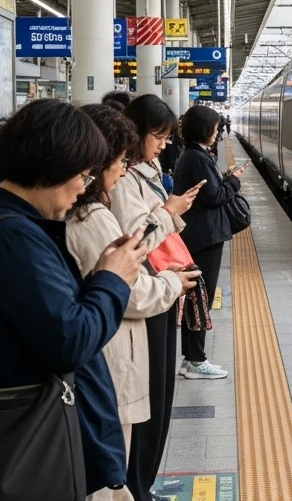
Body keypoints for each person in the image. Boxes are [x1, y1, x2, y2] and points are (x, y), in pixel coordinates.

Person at [0, 99, 147, 497]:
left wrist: (99, 276)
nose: (83, 187)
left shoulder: (8, 225)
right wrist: (112, 280)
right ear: (53, 169)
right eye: (82, 174)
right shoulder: (14, 238)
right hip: (25, 438)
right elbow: (69, 340)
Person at [66, 106, 201, 501]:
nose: (122, 170)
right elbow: (128, 285)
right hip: (112, 353)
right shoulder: (91, 217)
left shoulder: (82, 213)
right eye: (118, 161)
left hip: (110, 346)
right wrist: (170, 283)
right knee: (115, 471)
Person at [112, 95, 198, 501]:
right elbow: (137, 240)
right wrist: (168, 210)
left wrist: (173, 210)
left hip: (161, 288)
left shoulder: (146, 170)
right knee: (148, 402)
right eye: (158, 135)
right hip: (145, 295)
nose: (164, 144)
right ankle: (137, 487)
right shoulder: (124, 180)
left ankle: (143, 485)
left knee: (160, 398)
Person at [172, 105, 243, 380]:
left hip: (197, 234)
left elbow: (207, 191)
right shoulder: (197, 158)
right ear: (205, 129)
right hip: (204, 237)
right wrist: (234, 181)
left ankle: (192, 357)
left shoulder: (191, 155)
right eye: (214, 127)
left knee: (195, 296)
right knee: (200, 297)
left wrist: (223, 179)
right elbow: (214, 197)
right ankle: (195, 359)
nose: (217, 132)